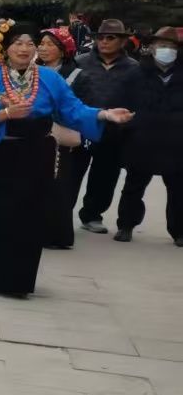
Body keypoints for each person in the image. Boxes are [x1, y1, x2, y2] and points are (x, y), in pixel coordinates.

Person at [0, 23, 131, 295]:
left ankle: (21, 280)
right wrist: (5, 114)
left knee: (30, 214)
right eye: (18, 43)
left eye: (30, 43)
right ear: (6, 48)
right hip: (0, 152)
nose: (24, 48)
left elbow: (72, 109)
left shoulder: (49, 78)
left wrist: (103, 114)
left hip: (36, 153)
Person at [113, 26, 182, 245]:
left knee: (179, 190)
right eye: (161, 45)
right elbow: (120, 103)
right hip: (141, 140)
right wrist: (128, 128)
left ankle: (179, 231)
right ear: (151, 47)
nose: (166, 50)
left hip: (177, 142)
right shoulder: (136, 74)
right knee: (133, 187)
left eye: (170, 46)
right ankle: (126, 225)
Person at [72, 19, 140, 235]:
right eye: (100, 37)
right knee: (70, 173)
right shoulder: (80, 62)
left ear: (122, 41)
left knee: (105, 176)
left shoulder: (133, 68)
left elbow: (138, 98)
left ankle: (92, 215)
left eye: (111, 38)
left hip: (113, 131)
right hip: (81, 127)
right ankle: (61, 212)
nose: (104, 41)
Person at [37, 27, 83, 248]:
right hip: (34, 135)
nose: (43, 48)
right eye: (41, 44)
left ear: (63, 50)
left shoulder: (76, 75)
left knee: (58, 184)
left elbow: (80, 107)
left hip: (60, 137)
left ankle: (56, 235)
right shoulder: (31, 71)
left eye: (50, 44)